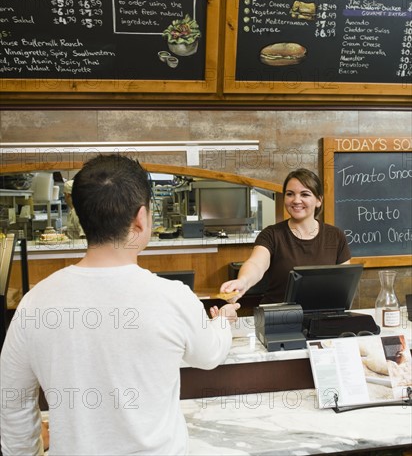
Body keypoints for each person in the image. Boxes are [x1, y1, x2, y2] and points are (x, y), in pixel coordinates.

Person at [1, 155, 239, 456]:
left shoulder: (34, 303)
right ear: (141, 219)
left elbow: (12, 404)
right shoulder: (173, 297)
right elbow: (209, 354)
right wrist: (223, 321)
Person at [220, 168, 351, 304]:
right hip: (279, 317)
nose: (296, 200)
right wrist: (243, 281)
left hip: (322, 317)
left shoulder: (335, 236)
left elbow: (345, 282)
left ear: (319, 200)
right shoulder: (271, 235)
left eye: (305, 194)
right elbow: (256, 264)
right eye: (290, 194)